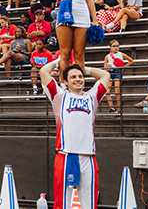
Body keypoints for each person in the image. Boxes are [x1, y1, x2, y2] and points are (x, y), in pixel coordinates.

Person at [40, 61, 110, 209]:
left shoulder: (92, 97)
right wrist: (58, 63)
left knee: (90, 204)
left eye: (80, 76)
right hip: (66, 155)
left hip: (88, 156)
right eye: (73, 77)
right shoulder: (59, 96)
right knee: (62, 203)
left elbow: (105, 75)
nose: (78, 79)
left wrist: (85, 69)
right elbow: (43, 72)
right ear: (65, 81)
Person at [103, 40, 133, 114]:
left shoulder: (121, 54)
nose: (116, 48)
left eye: (117, 46)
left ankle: (119, 110)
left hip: (117, 72)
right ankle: (112, 108)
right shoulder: (107, 56)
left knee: (117, 92)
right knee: (107, 92)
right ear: (110, 47)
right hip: (110, 72)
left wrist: (123, 67)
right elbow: (105, 67)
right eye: (114, 46)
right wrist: (107, 69)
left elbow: (131, 61)